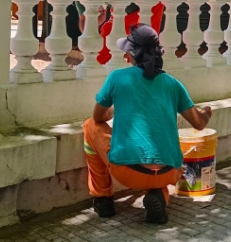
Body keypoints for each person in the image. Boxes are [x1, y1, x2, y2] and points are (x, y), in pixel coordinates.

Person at [82, 24, 213, 224]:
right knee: (160, 178)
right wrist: (205, 114)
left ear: (132, 54)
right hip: (170, 171)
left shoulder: (118, 78)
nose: (126, 57)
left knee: (89, 126)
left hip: (127, 172)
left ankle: (103, 198)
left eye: (127, 52)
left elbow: (98, 117)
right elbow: (199, 124)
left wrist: (117, 106)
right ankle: (159, 196)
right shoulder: (173, 84)